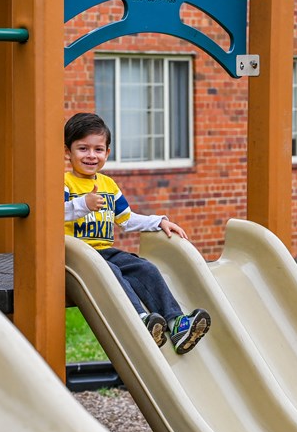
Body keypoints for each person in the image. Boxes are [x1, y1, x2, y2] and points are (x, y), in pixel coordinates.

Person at [64, 112, 211, 354]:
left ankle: (176, 324)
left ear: (107, 153)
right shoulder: (65, 183)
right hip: (75, 257)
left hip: (103, 251)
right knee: (110, 273)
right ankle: (141, 321)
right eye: (83, 149)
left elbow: (126, 219)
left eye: (98, 149)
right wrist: (82, 205)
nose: (91, 155)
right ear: (68, 152)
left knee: (144, 268)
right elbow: (54, 214)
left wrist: (159, 221)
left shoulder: (108, 185)